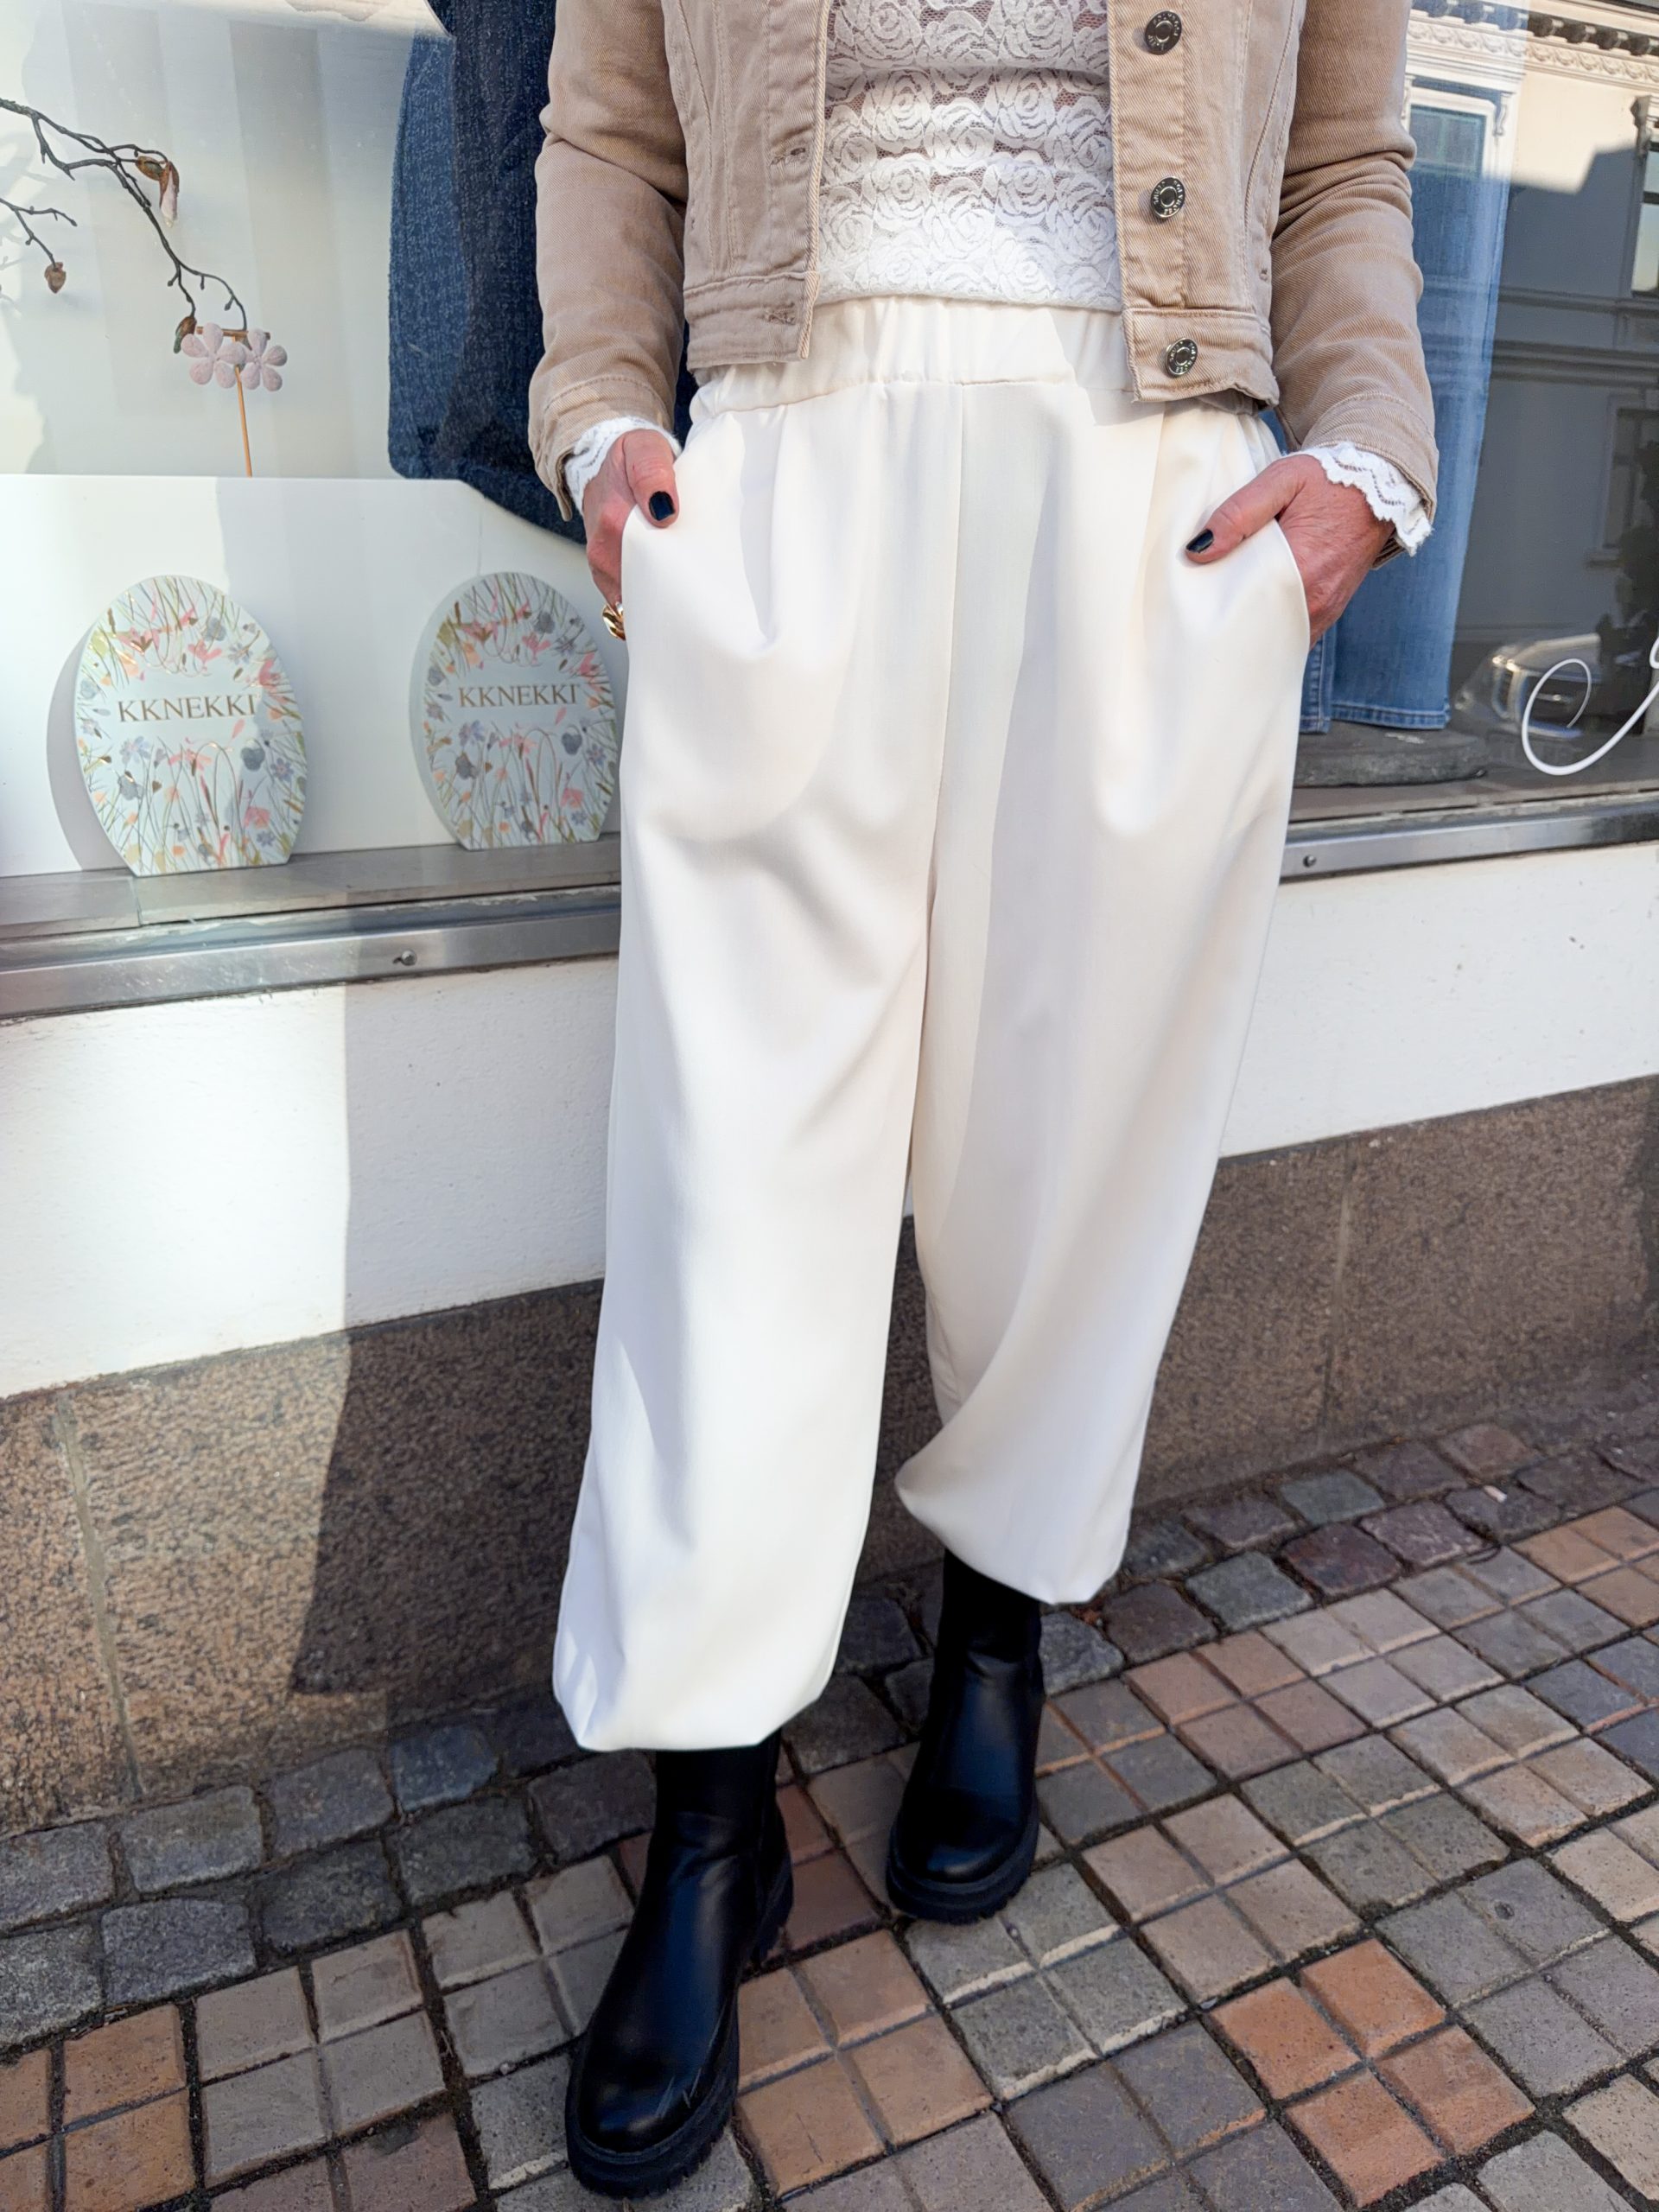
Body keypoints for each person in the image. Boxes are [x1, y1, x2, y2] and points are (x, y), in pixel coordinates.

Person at [527, 0, 1436, 2194]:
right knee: (735, 1170)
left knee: (1069, 1133)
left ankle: (998, 1635)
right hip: (785, 452)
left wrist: (1368, 456)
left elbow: (1341, 159)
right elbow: (607, 124)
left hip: (1152, 475)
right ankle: (713, 1806)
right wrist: (603, 424)